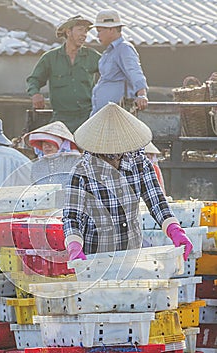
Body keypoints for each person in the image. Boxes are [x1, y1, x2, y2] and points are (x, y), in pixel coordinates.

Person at [62, 103, 193, 262]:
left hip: (132, 253)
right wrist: (74, 246)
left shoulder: (139, 163)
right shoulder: (81, 172)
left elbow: (156, 202)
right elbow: (73, 217)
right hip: (95, 256)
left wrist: (175, 230)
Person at [26, 15, 101, 132]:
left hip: (88, 117)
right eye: (80, 30)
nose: (84, 34)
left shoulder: (92, 56)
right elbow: (34, 79)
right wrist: (35, 94)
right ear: (68, 32)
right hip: (61, 118)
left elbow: (111, 75)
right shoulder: (50, 58)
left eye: (86, 31)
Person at [90, 9, 148, 115]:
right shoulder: (109, 52)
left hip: (118, 113)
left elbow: (134, 71)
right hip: (103, 112)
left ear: (111, 29)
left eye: (99, 31)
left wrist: (141, 94)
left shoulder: (124, 49)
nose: (97, 36)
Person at [23, 121, 81, 187]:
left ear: (61, 145)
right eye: (43, 143)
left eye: (50, 142)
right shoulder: (37, 166)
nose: (46, 146)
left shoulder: (75, 162)